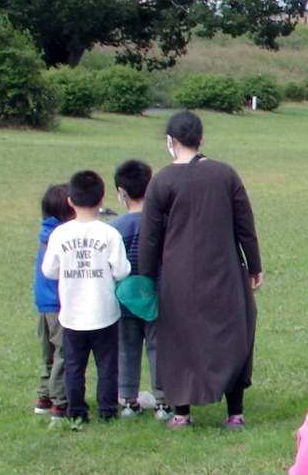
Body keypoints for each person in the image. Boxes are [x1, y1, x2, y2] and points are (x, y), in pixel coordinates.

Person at [141, 112, 263, 430]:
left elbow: (149, 239)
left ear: (171, 142)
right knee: (233, 336)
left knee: (178, 339)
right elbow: (244, 225)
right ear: (202, 139)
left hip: (177, 278)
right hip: (225, 271)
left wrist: (144, 280)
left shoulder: (160, 181)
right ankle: (234, 412)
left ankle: (182, 413)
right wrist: (254, 265)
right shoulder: (225, 174)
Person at [41, 172, 130, 427]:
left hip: (72, 314)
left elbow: (49, 270)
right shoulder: (108, 233)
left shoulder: (59, 234)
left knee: (74, 366)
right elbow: (122, 270)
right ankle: (107, 410)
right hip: (104, 313)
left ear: (70, 201)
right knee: (107, 366)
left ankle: (77, 410)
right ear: (100, 199)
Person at [110, 160, 160, 417]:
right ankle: (163, 401)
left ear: (121, 192)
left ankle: (128, 400)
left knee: (127, 349)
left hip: (125, 300)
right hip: (156, 299)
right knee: (157, 348)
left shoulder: (114, 228)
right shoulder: (161, 223)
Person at [30, 183, 71, 417]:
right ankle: (60, 401)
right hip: (58, 304)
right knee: (63, 353)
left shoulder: (45, 233)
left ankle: (44, 397)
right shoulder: (62, 238)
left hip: (43, 304)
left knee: (48, 354)